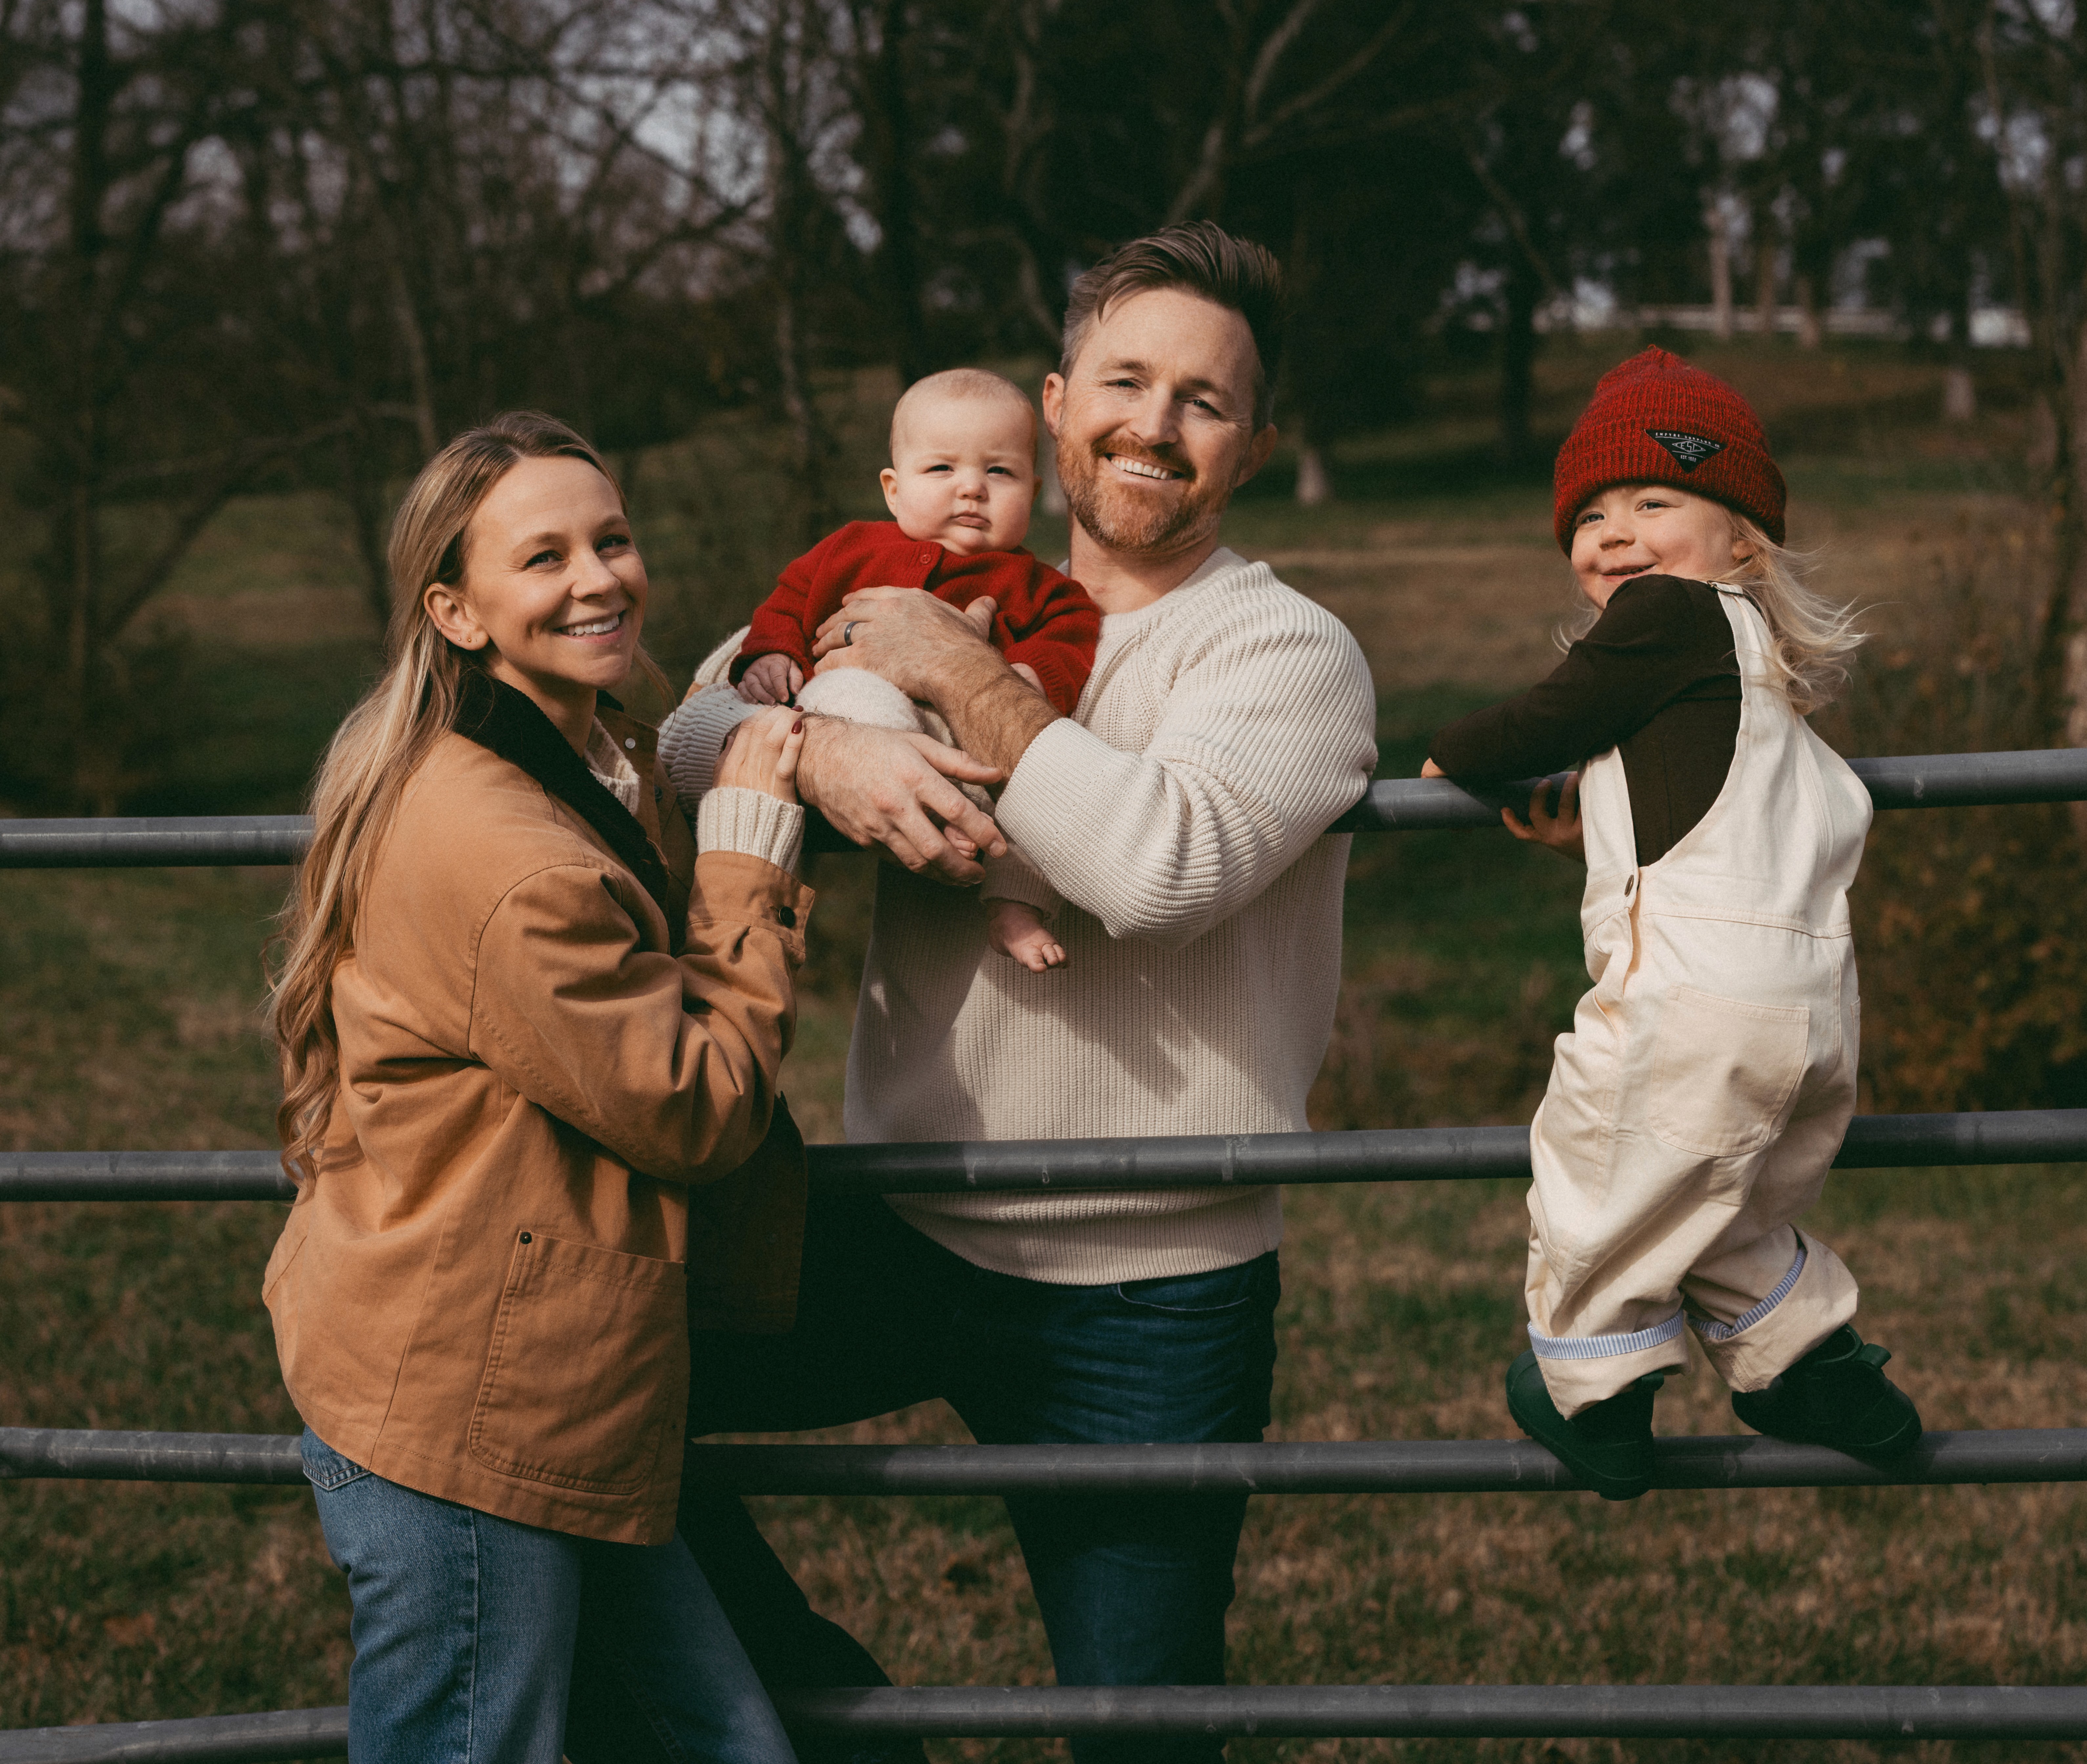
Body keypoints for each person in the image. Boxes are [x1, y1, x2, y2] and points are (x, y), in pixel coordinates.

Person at [603, 222, 1377, 1764]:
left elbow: (1158, 864)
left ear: (1257, 442)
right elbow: (688, 732)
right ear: (1053, 400)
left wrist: (960, 683)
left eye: (1204, 401)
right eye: (1124, 380)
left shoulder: (1285, 648)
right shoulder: (920, 572)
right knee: (564, 1401)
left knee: (1139, 1735)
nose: (1153, 425)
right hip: (900, 1215)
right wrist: (830, 746)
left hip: (1151, 1287)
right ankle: (836, 1724)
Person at [263, 411, 815, 1764]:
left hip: (551, 1384)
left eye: (611, 539)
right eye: (544, 558)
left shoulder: (572, 756)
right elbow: (692, 1105)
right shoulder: (509, 848)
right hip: (464, 1411)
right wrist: (743, 872)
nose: (597, 579)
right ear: (455, 611)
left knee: (731, 1743)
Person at [1423, 347, 1923, 1502]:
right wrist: (1588, 834)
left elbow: (1549, 715)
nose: (1616, 534)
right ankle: (1812, 1367)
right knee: (1725, 1210)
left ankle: (1590, 1397)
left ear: (1743, 534)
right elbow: (1709, 824)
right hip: (1807, 1019)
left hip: (1693, 1008)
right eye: (1591, 514)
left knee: (1595, 1177)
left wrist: (1457, 752)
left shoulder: (1666, 617)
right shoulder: (1764, 690)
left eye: (1656, 500)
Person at [664, 367, 1100, 975]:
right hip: (851, 718)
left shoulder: (1040, 586)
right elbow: (790, 600)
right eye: (942, 469)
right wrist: (772, 652)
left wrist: (1026, 680)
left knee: (1029, 791)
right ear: (894, 489)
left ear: (1033, 487)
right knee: (848, 697)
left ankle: (1013, 901)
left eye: (998, 472)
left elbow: (1071, 637)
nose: (971, 488)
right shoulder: (851, 549)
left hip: (967, 742)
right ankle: (907, 827)